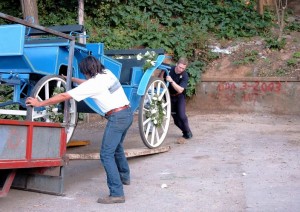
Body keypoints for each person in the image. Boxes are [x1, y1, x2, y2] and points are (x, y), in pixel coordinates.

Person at [26, 56, 133, 204]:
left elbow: (64, 95)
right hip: (127, 114)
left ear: (87, 71)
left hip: (117, 118)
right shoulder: (106, 74)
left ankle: (117, 193)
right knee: (117, 147)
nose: (84, 75)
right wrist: (72, 79)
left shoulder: (93, 84)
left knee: (106, 155)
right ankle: (124, 176)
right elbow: (89, 84)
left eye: (83, 72)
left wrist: (40, 103)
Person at [164, 57, 193, 139]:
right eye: (180, 67)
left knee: (181, 115)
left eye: (183, 68)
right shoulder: (168, 70)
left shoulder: (185, 75)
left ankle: (188, 131)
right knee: (176, 119)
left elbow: (180, 90)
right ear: (176, 64)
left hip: (179, 96)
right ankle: (185, 131)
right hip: (169, 97)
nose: (181, 70)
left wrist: (171, 81)